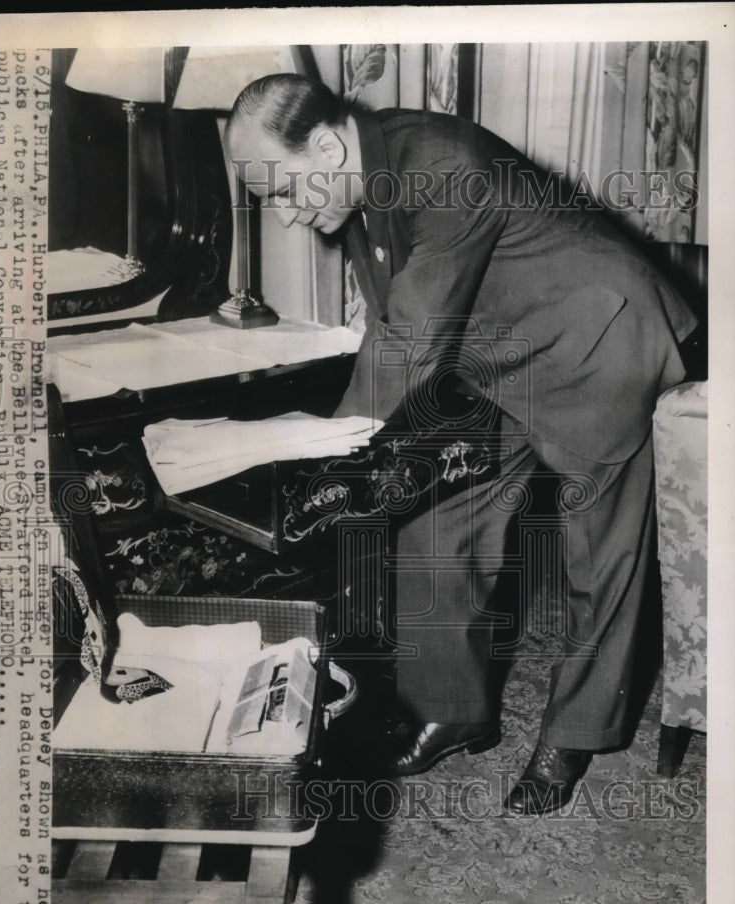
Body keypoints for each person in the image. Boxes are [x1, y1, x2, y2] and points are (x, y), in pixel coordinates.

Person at [224, 74, 697, 816]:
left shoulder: (443, 167)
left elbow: (408, 340)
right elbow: (393, 323)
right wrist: (348, 442)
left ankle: (572, 735)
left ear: (322, 144)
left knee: (597, 557)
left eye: (282, 190)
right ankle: (453, 709)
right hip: (493, 349)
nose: (285, 215)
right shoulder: (357, 171)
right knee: (435, 514)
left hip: (598, 338)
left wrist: (319, 449)